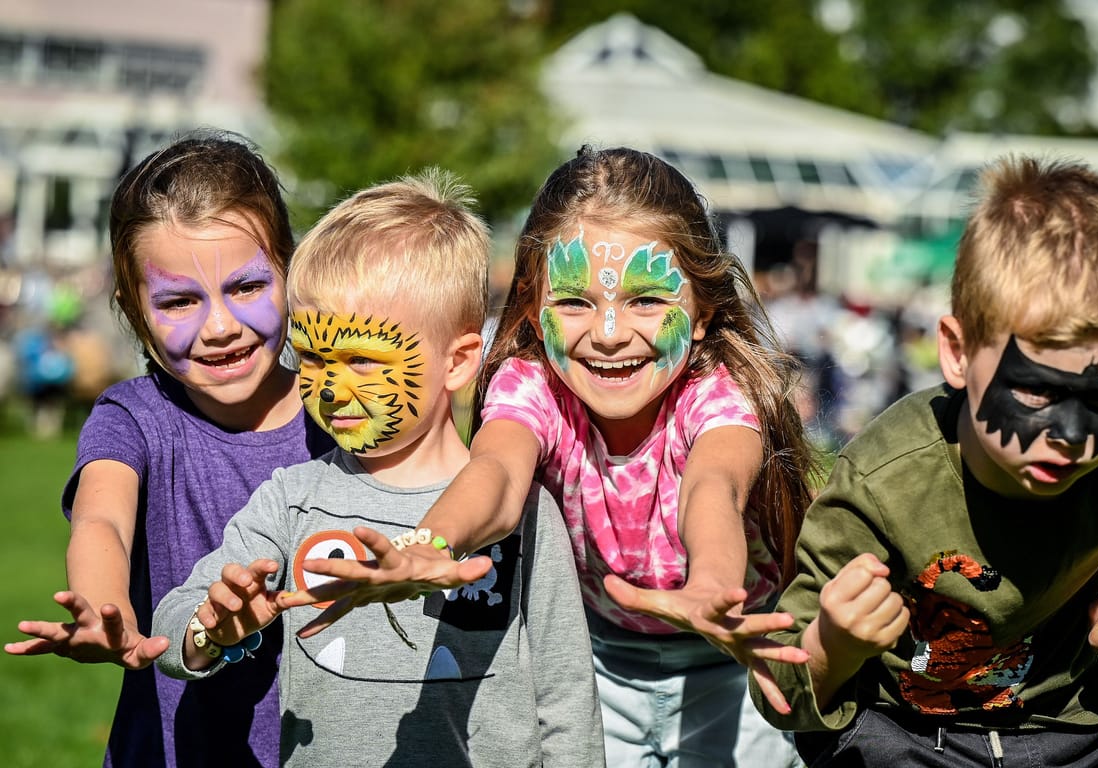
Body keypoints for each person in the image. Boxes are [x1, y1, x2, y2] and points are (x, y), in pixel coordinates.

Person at [751, 155, 1098, 766]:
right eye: (1036, 390)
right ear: (958, 353)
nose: (1069, 435)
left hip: (1058, 737)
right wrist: (834, 643)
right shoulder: (884, 483)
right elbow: (777, 694)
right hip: (896, 736)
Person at [291, 146, 817, 766]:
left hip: (732, 663)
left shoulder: (717, 399)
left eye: (647, 300)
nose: (611, 333)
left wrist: (710, 588)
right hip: (598, 666)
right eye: (575, 302)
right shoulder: (531, 389)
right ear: (535, 311)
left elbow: (714, 489)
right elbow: (495, 473)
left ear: (701, 311)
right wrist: (431, 544)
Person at [150, 169, 604, 767]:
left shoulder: (520, 510)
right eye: (312, 356)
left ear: (459, 360)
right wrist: (212, 626)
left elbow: (566, 699)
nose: (331, 388)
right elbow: (174, 621)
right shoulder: (293, 499)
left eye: (363, 359)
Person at [4, 132, 332, 767]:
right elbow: (102, 518)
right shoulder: (133, 418)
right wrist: (106, 608)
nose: (219, 327)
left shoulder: (341, 413)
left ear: (291, 270)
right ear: (133, 307)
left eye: (245, 287)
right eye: (179, 300)